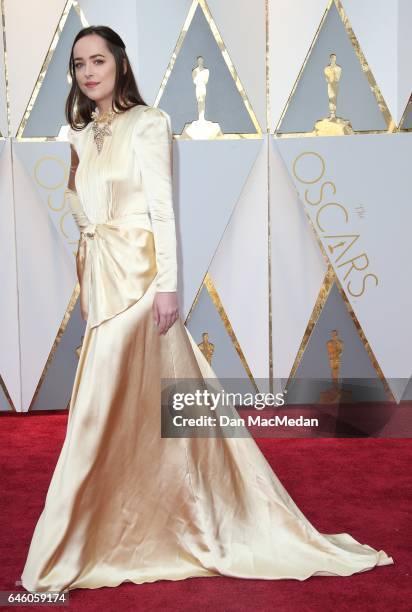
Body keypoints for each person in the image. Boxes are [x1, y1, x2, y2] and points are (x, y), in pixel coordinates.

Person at [20, 26, 393, 593]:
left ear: (119, 63)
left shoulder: (149, 122)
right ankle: (121, 527)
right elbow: (84, 211)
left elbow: (162, 211)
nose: (88, 72)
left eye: (98, 60)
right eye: (78, 65)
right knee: (127, 416)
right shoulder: (78, 133)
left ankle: (72, 545)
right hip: (104, 285)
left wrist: (168, 287)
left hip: (144, 284)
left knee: (100, 415)